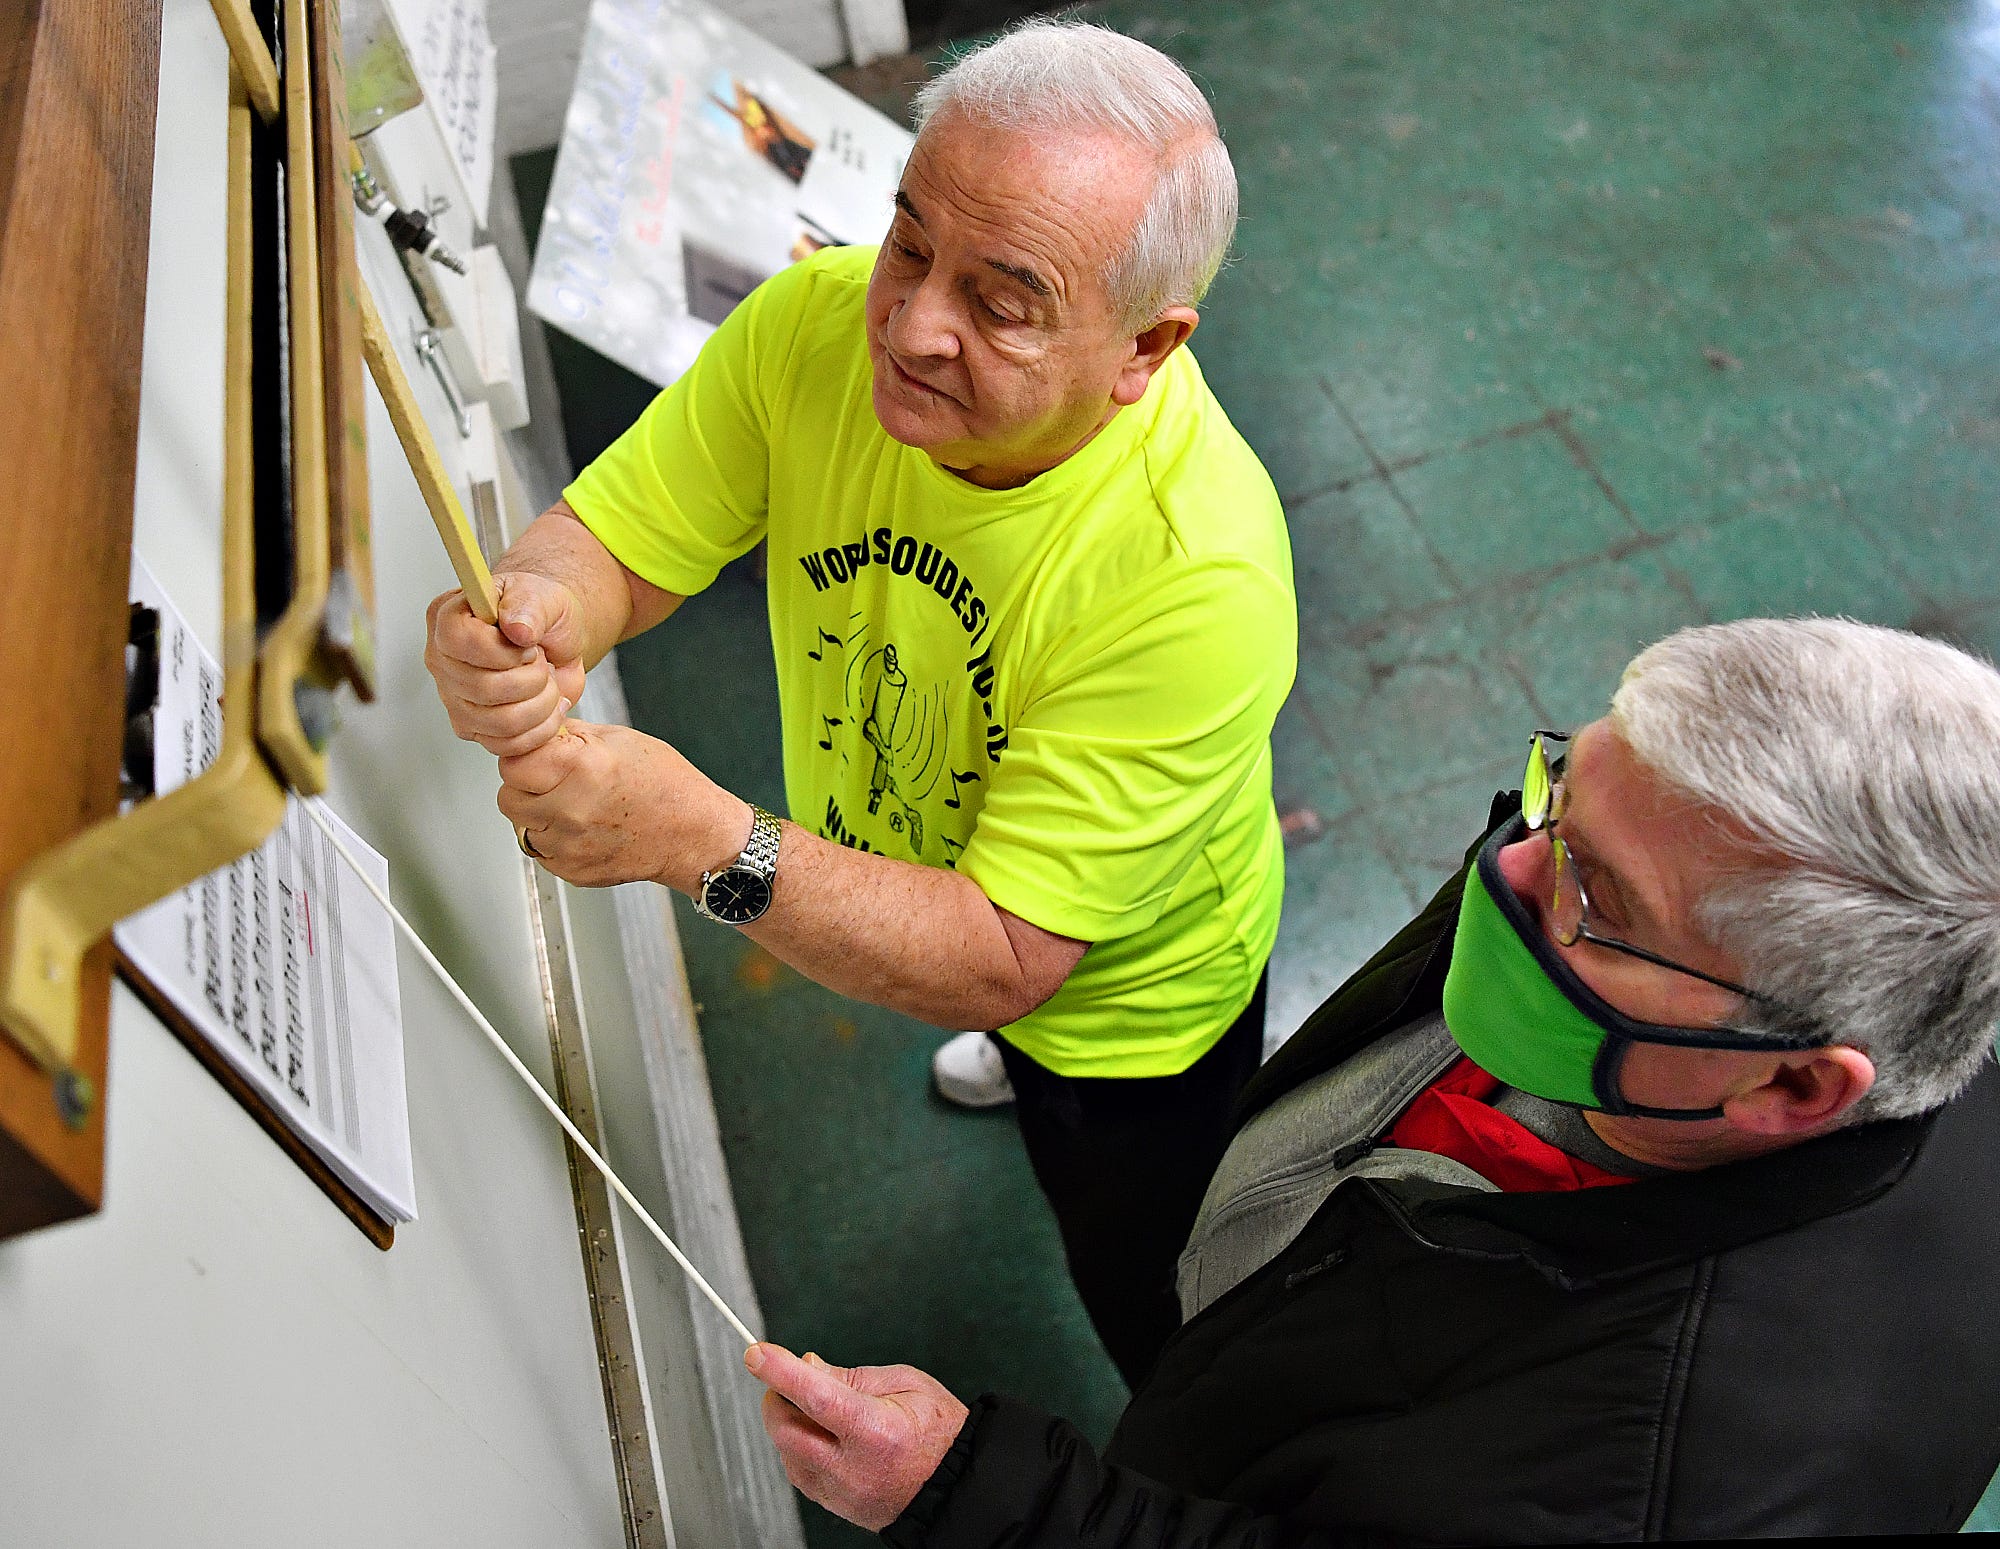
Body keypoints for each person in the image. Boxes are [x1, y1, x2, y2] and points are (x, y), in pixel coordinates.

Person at [422, 20, 1295, 1387]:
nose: (910, 322)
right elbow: (627, 537)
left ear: (1145, 346)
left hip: (1129, 1001)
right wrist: (535, 608)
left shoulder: (1198, 578)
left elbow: (1005, 954)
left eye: (1001, 301)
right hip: (944, 873)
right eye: (910, 242)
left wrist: (701, 840)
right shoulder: (819, 321)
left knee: (1148, 1280)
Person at [746, 617, 2000, 1542]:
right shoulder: (1729, 1001)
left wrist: (986, 1497)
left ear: (1790, 1089)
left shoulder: (1655, 1485)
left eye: (1592, 896)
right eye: (1560, 790)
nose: (1505, 873)